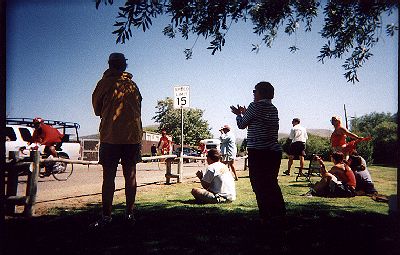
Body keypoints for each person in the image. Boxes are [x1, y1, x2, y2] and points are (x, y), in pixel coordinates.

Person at [91, 52, 142, 228]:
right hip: (132, 137)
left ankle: (106, 217)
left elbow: (97, 110)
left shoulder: (103, 84)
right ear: (124, 66)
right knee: (131, 177)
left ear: (109, 64)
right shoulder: (133, 86)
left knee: (108, 178)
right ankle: (129, 214)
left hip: (110, 136)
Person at [230, 81, 285, 226]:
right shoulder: (273, 108)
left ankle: (265, 216)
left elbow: (242, 125)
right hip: (273, 152)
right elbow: (258, 121)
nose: (253, 93)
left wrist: (238, 114)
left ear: (260, 93)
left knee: (258, 184)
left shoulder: (254, 106)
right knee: (271, 183)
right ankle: (279, 214)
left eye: (255, 91)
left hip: (258, 151)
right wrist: (245, 113)